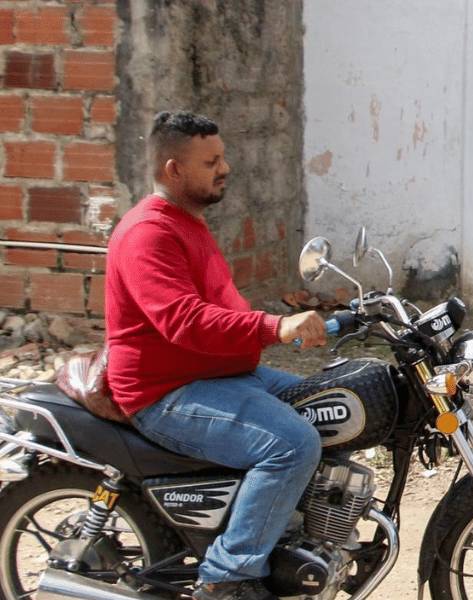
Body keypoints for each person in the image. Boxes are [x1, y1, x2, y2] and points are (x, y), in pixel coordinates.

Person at [106, 111, 328, 600]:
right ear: (174, 170)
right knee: (293, 444)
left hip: (218, 373)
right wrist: (275, 325)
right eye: (211, 161)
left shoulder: (187, 222)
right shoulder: (149, 233)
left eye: (222, 157)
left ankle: (299, 536)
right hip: (165, 391)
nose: (224, 168)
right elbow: (183, 321)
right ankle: (226, 579)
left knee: (335, 400)